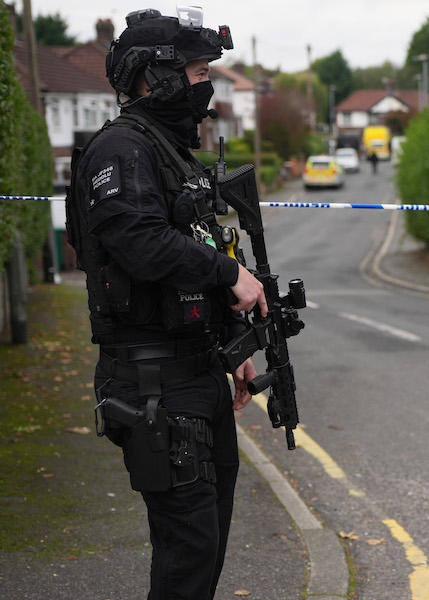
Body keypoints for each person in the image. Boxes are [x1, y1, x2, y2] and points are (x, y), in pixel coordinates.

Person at [65, 7, 268, 599]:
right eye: (199, 72)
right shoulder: (119, 153)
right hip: (153, 384)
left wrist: (234, 349)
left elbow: (194, 247)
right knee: (187, 557)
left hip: (196, 372)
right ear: (155, 78)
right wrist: (230, 273)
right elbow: (143, 245)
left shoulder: (169, 151)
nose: (206, 87)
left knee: (205, 554)